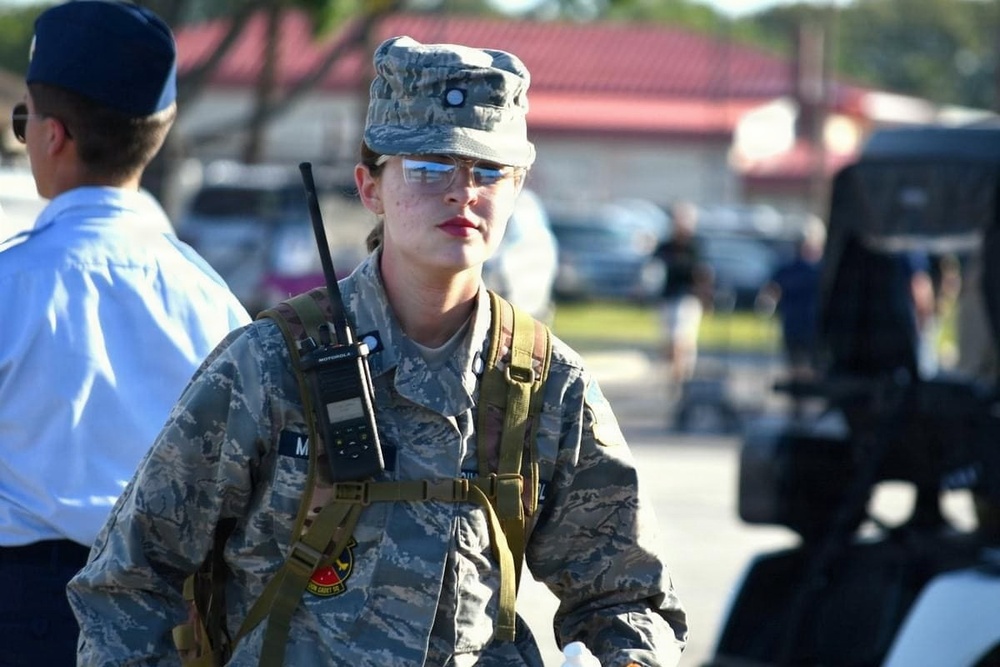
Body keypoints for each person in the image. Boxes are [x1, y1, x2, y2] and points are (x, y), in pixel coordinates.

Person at [69, 35, 688, 666]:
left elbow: (625, 597)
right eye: (428, 167)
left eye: (488, 171)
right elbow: (129, 581)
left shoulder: (548, 384)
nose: (461, 192)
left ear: (518, 186)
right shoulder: (268, 366)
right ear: (370, 187)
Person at [0, 2, 250, 664]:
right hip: (173, 614)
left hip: (24, 610)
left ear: (54, 136)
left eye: (22, 121)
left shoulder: (10, 285)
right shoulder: (216, 302)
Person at [757, 215, 826, 381]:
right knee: (796, 369)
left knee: (815, 370)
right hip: (794, 325)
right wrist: (767, 301)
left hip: (817, 327)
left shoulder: (824, 268)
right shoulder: (788, 268)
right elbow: (772, 289)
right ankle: (798, 402)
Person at [653, 202, 713, 388]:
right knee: (669, 342)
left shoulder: (694, 247)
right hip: (668, 297)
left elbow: (703, 274)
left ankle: (682, 378)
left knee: (682, 338)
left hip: (687, 298)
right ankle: (676, 374)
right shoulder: (666, 246)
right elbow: (653, 268)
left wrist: (706, 296)